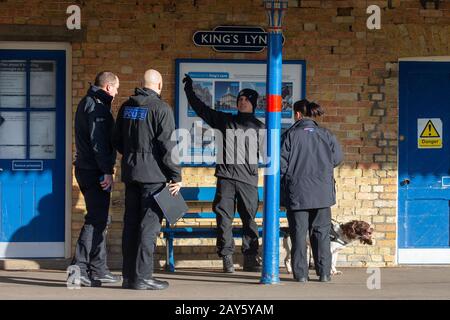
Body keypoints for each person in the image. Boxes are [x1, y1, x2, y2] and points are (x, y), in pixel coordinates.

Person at [183, 75, 264, 273]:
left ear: (253, 103)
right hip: (226, 179)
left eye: (246, 99)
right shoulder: (225, 120)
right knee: (224, 220)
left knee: (250, 221)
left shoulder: (261, 127)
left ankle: (251, 258)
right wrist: (189, 91)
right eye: (240, 99)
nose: (241, 102)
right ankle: (227, 258)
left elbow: (269, 154)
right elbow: (202, 110)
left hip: (248, 181)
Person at [113, 69, 182, 290]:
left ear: (141, 84)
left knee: (131, 225)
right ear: (159, 85)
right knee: (149, 227)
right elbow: (168, 147)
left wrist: (133, 158)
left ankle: (128, 277)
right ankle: (143, 277)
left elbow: (117, 140)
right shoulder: (161, 108)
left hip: (131, 175)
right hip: (154, 177)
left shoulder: (126, 107)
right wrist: (176, 176)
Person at [280, 99, 343, 283]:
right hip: (322, 194)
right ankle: (324, 273)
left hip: (297, 194)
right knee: (322, 234)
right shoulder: (326, 134)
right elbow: (337, 159)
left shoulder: (289, 135)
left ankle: (301, 275)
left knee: (299, 235)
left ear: (298, 114)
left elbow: (281, 165)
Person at [71, 71, 121, 287]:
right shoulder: (97, 106)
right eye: (116, 89)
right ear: (108, 87)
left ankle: (98, 269)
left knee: (100, 219)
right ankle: (78, 270)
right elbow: (98, 143)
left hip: (87, 168)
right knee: (95, 220)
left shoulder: (90, 102)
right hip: (94, 171)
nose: (117, 93)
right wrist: (107, 171)